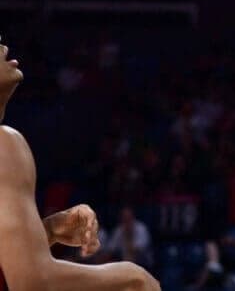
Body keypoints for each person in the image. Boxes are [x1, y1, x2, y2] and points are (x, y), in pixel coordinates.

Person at [0, 39, 160, 290]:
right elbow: (31, 282)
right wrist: (130, 276)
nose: (3, 47)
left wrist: (50, 230)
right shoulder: (4, 143)